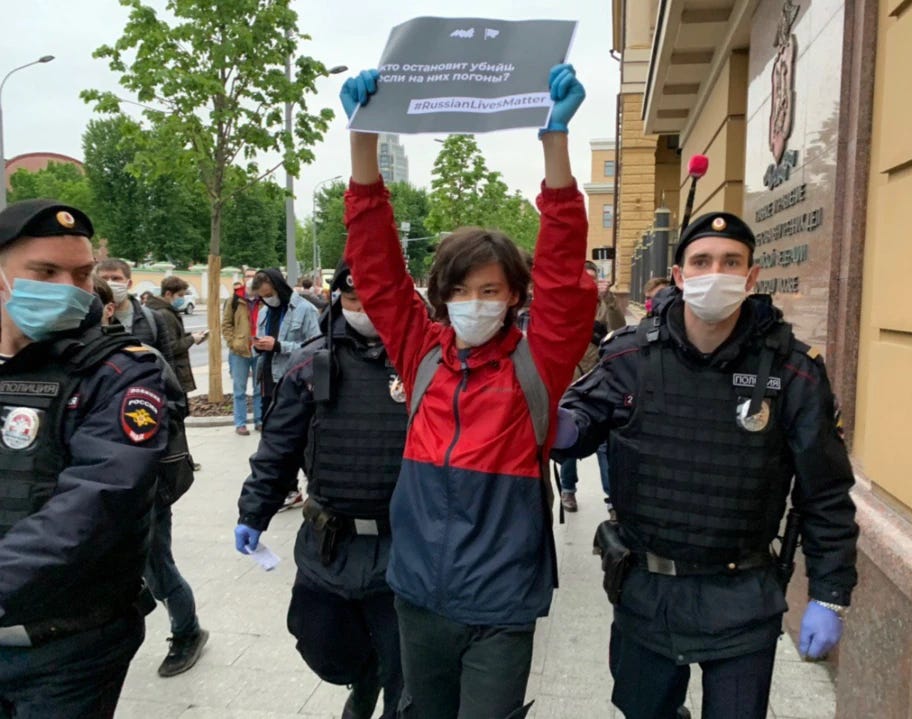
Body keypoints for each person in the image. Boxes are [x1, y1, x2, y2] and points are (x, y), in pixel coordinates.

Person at [340, 64, 596, 718]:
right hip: (417, 592)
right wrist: (364, 140)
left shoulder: (537, 363)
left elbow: (566, 274)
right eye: (459, 290)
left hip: (502, 602)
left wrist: (555, 147)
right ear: (440, 295)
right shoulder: (421, 352)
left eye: (490, 290)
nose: (473, 302)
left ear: (514, 296)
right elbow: (376, 265)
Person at [556, 211, 859, 719]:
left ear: (751, 276)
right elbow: (575, 426)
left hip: (742, 597)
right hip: (647, 591)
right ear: (678, 275)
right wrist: (558, 425)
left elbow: (824, 493)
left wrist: (830, 594)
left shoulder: (792, 373)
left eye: (730, 262)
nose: (714, 272)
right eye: (701, 261)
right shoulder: (630, 356)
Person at [0, 199, 167, 716]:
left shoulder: (121, 371)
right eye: (45, 271)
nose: (71, 289)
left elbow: (97, 502)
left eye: (81, 273)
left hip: (66, 650)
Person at [235, 260, 407, 718]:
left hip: (405, 545)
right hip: (330, 543)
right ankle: (363, 675)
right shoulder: (312, 362)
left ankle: (387, 694)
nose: (363, 310)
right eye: (352, 300)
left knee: (406, 669)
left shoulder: (425, 359)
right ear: (337, 298)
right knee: (321, 641)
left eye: (374, 300)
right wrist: (254, 511)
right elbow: (279, 446)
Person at [94, 277, 209, 677]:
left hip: (141, 489)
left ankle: (187, 631)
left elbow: (174, 407)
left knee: (156, 567)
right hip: (82, 498)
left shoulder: (139, 357)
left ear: (107, 309)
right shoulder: (50, 359)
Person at [556, 260, 623, 514]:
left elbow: (619, 329)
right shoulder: (564, 308)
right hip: (569, 384)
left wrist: (610, 300)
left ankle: (612, 499)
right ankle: (568, 490)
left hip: (601, 384)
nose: (588, 284)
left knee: (605, 446)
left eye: (592, 279)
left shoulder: (605, 307)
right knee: (569, 441)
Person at [251, 268, 320, 509]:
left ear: (279, 288)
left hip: (294, 382)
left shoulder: (304, 309)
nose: (267, 300)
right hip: (268, 379)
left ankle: (316, 483)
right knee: (274, 438)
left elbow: (316, 345)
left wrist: (280, 345)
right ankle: (289, 488)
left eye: (269, 295)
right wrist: (259, 346)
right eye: (262, 297)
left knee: (300, 436)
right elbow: (260, 342)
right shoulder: (263, 312)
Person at [96, 258, 175, 363]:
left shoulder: (152, 318)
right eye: (104, 279)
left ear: (129, 284)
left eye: (116, 278)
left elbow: (166, 360)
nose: (109, 283)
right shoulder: (91, 318)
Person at [145, 276, 207, 396]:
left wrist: (189, 336)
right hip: (173, 372)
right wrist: (192, 339)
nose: (183, 299)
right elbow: (171, 346)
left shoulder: (160, 310)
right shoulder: (165, 313)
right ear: (168, 294)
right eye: (180, 295)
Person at [222, 279, 263, 435]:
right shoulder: (234, 300)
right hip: (240, 351)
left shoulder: (263, 300)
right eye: (254, 291)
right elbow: (226, 324)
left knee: (259, 388)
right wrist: (233, 343)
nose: (256, 294)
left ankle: (259, 421)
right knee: (239, 389)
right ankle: (240, 423)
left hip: (259, 349)